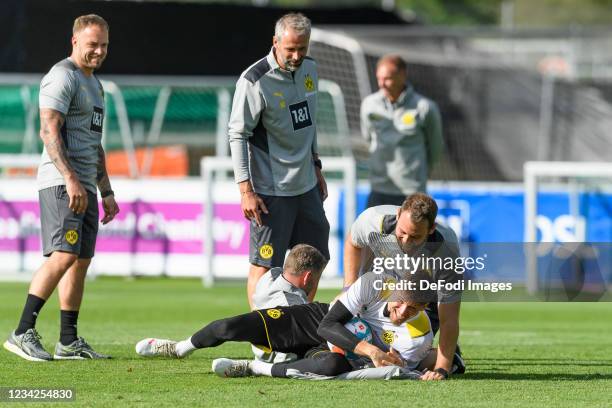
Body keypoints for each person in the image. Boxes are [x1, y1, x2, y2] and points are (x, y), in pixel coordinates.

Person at [3, 14, 118, 362]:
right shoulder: (62, 76)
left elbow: (93, 144)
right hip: (61, 182)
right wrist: (69, 178)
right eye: (91, 44)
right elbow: (48, 131)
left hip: (85, 186)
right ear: (74, 42)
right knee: (64, 255)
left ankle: (68, 341)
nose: (98, 51)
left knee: (80, 261)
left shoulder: (95, 85)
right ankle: (23, 330)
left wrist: (107, 191)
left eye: (104, 45)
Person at [134, 271, 457, 380]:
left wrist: (384, 359)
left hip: (341, 351)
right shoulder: (375, 282)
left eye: (411, 308)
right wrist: (371, 348)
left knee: (331, 366)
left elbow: (384, 369)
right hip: (317, 319)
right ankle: (177, 348)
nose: (400, 311)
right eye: (400, 301)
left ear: (424, 308)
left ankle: (250, 368)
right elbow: (329, 324)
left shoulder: (418, 336)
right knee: (228, 328)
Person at [228, 12, 330, 309]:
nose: (297, 55)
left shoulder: (311, 69)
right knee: (264, 266)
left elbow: (309, 124)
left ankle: (299, 331)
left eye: (303, 48)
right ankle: (263, 342)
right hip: (270, 191)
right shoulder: (254, 80)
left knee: (314, 260)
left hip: (307, 187)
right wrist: (245, 190)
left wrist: (316, 165)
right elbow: (238, 135)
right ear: (275, 42)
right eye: (290, 49)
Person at [343, 192, 463, 380]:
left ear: (431, 229)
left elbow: (449, 318)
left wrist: (441, 369)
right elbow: (353, 242)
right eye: (402, 233)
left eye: (415, 237)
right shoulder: (372, 220)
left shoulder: (446, 252)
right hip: (387, 281)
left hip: (422, 294)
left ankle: (449, 356)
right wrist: (349, 289)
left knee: (411, 352)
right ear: (398, 215)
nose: (406, 242)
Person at [361, 54, 444, 208]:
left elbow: (436, 147)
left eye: (387, 78)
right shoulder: (368, 104)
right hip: (378, 188)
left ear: (403, 76)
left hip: (412, 191)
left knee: (410, 233)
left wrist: (419, 174)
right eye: (379, 78)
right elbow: (368, 138)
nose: (382, 84)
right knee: (371, 232)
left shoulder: (425, 107)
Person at [251, 243, 326, 363]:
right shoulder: (293, 309)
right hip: (274, 359)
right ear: (307, 277)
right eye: (317, 279)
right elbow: (285, 359)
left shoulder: (269, 276)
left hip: (259, 350)